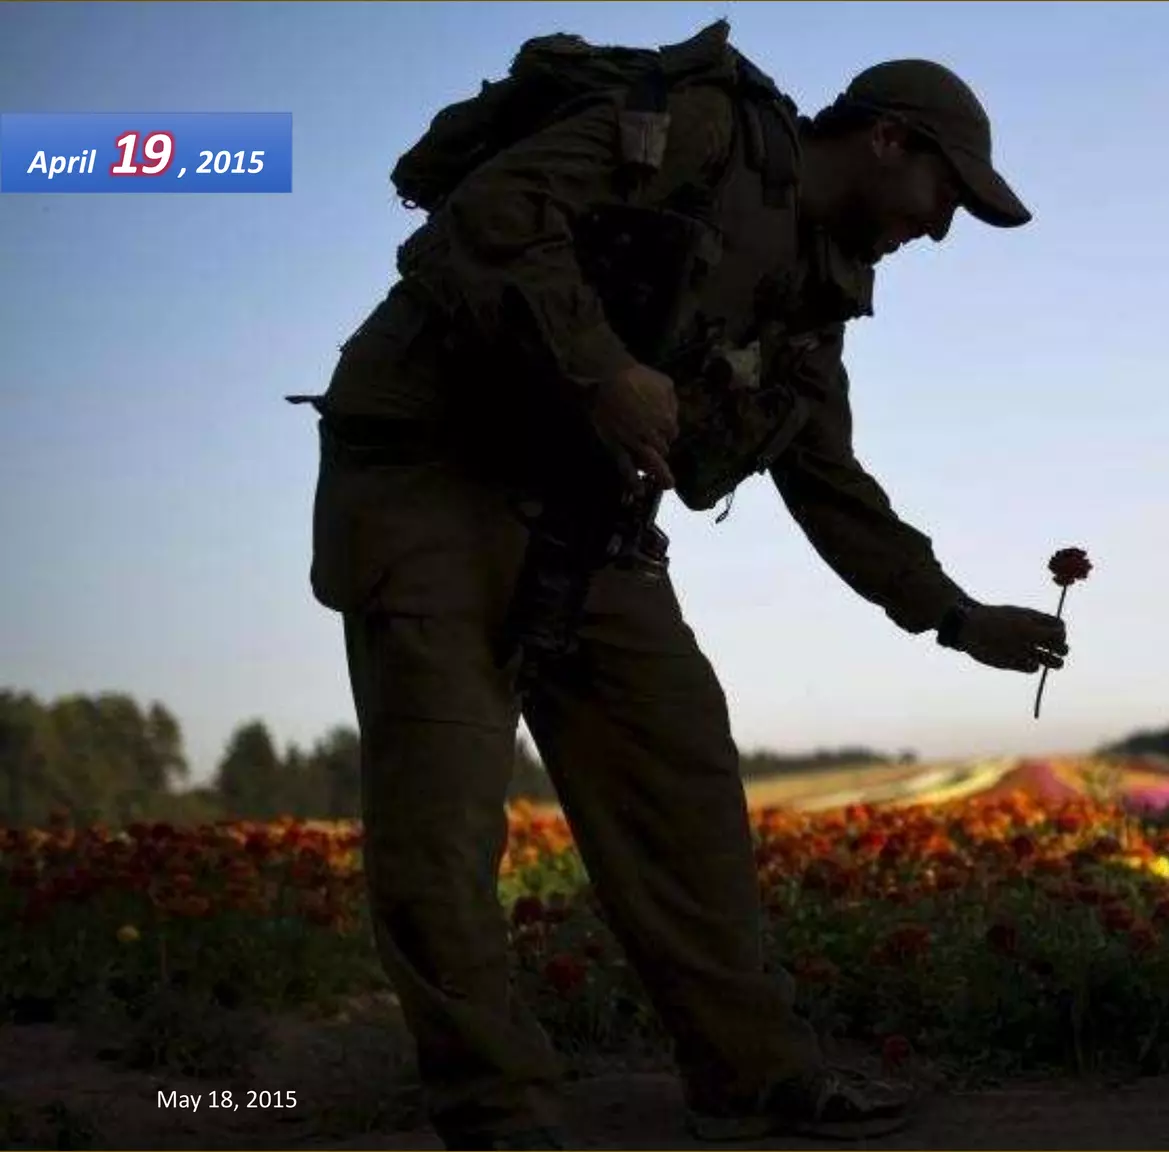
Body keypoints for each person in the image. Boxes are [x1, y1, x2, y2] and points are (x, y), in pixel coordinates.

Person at [300, 21, 1067, 1149]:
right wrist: (602, 368)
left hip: (585, 520)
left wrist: (952, 616)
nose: (940, 229)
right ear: (888, 140)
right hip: (431, 476)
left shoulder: (814, 295)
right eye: (943, 195)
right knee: (440, 823)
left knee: (685, 783)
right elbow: (484, 224)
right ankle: (499, 1110)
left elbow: (827, 480)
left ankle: (753, 1075)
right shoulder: (699, 130)